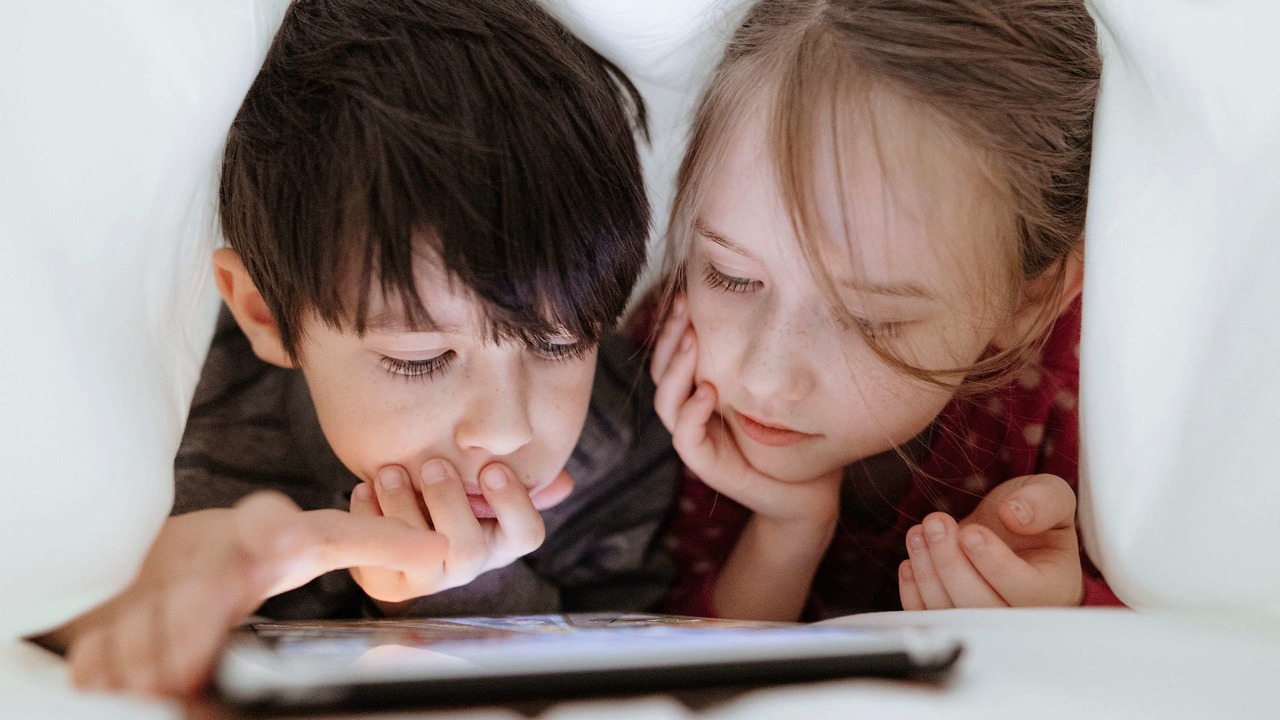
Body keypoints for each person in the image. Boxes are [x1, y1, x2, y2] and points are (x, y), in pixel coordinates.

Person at [44, 0, 676, 696]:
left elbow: (630, 672)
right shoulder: (188, 436)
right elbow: (48, 614)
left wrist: (447, 596)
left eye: (559, 343)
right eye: (420, 358)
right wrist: (124, 596)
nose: (506, 428)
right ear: (265, 314)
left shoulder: (622, 437)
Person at [644, 0, 1121, 621]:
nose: (765, 378)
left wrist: (1071, 615)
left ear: (1030, 300)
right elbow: (667, 665)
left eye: (869, 319)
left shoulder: (1091, 404)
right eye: (731, 277)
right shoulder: (660, 366)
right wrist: (786, 529)